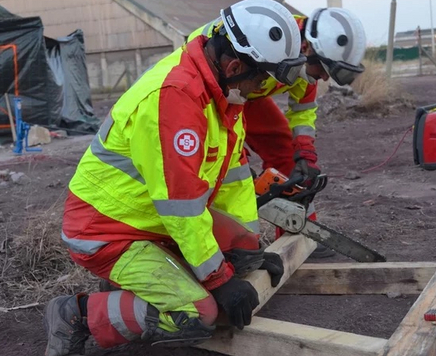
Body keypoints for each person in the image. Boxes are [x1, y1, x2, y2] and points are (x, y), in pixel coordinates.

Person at [43, 1, 305, 355]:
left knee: (241, 251)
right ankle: (78, 314)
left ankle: (147, 284)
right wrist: (220, 280)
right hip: (106, 229)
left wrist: (249, 253)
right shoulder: (175, 100)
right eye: (260, 79)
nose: (261, 89)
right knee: (199, 314)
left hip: (150, 217)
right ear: (234, 65)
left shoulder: (225, 93)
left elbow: (233, 177)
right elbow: (181, 206)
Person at [190, 7, 367, 257]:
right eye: (325, 69)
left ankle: (302, 230)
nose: (325, 77)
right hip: (215, 89)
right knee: (226, 167)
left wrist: (305, 152)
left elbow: (303, 110)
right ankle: (229, 244)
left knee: (285, 153)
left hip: (250, 92)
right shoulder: (265, 33)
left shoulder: (306, 70)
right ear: (307, 48)